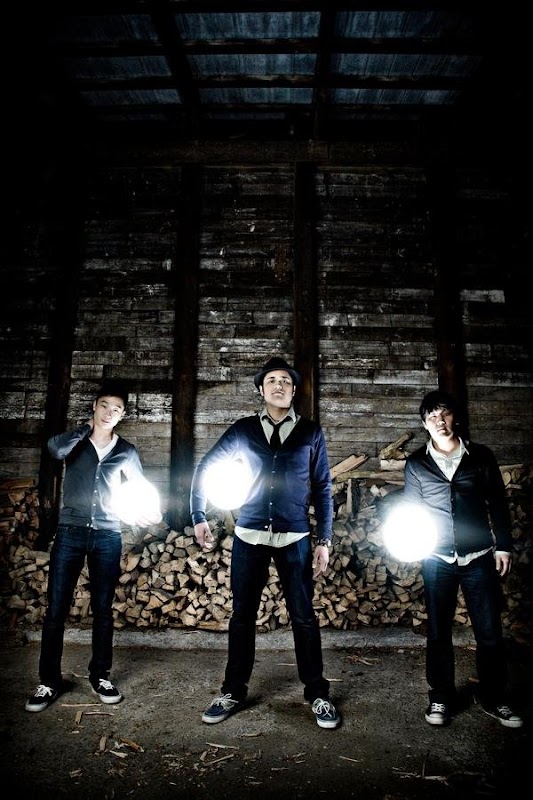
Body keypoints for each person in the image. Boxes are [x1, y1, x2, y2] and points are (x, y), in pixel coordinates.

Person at [190, 356, 340, 729]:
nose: (279, 386)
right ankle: (232, 691)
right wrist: (198, 515)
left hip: (295, 538)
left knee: (303, 617)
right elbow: (206, 467)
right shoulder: (243, 430)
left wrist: (324, 539)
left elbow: (322, 486)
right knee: (242, 617)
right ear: (261, 389)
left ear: (294, 390)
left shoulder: (310, 432)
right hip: (250, 536)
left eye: (285, 381)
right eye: (271, 380)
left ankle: (317, 693)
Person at [25, 380, 162, 712]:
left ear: (122, 415)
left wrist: (151, 511)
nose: (109, 412)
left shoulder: (126, 451)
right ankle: (48, 681)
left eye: (116, 409)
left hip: (107, 535)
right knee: (56, 609)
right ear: (94, 407)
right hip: (70, 532)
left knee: (103, 609)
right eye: (104, 406)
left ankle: (100, 675)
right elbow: (54, 449)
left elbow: (141, 488)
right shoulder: (76, 443)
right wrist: (84, 430)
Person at [402, 389, 523, 729]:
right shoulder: (417, 464)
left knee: (489, 631)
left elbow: (497, 503)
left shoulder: (480, 456)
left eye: (445, 414)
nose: (439, 421)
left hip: (479, 556)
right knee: (438, 631)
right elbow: (411, 510)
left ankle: (494, 697)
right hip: (436, 557)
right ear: (424, 424)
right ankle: (440, 696)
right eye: (432, 417)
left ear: (454, 418)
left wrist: (503, 546)